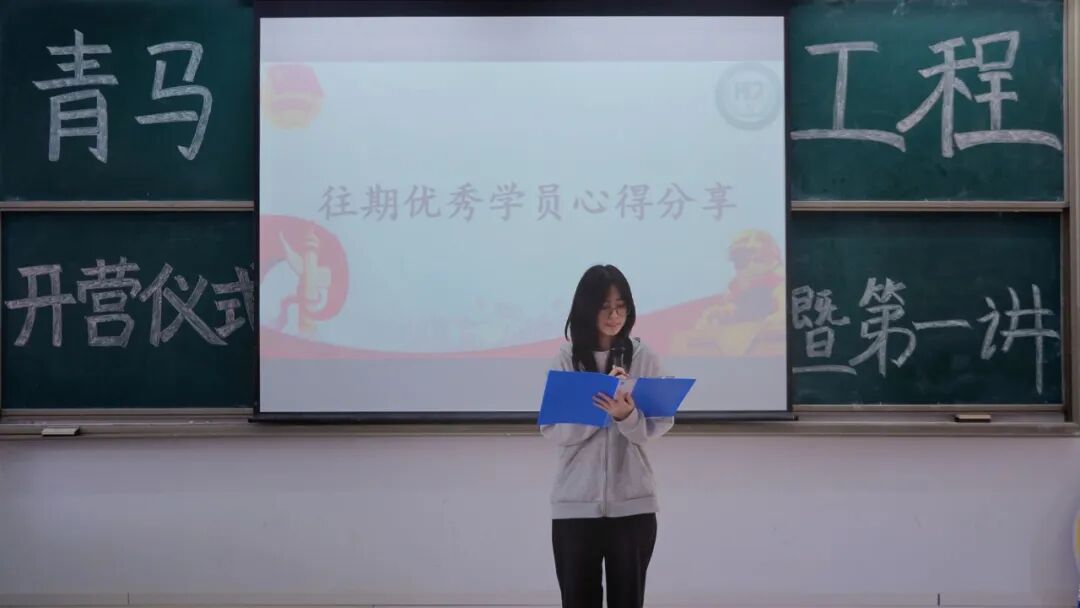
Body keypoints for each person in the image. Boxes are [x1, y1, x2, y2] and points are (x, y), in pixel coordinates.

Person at [540, 264, 674, 608]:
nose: (615, 316)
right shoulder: (566, 358)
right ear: (587, 308)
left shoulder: (644, 357)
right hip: (575, 506)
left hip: (634, 507)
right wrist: (601, 410)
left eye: (621, 306)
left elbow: (658, 423)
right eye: (605, 307)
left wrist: (626, 416)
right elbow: (553, 428)